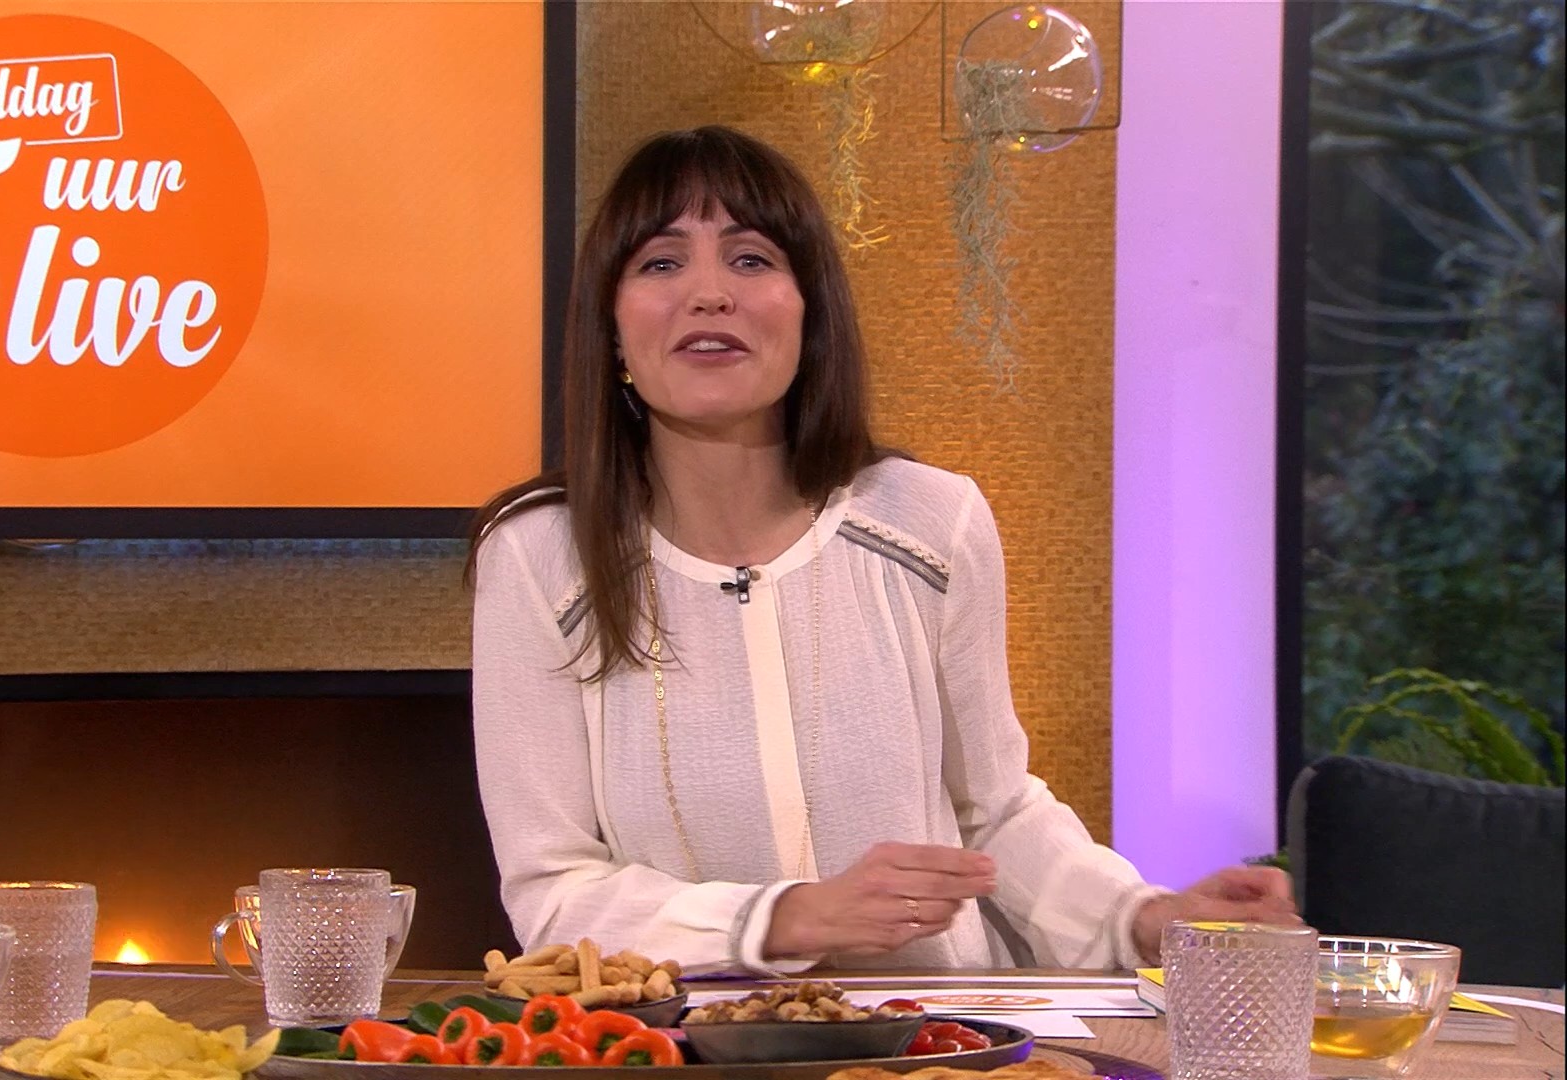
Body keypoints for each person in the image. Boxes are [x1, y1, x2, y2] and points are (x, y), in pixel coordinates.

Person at [466, 125, 1295, 976]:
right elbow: (553, 889)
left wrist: (1142, 918)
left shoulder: (932, 521)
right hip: (682, 1033)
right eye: (661, 262)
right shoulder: (538, 554)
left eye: (751, 259)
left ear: (809, 313)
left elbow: (995, 812)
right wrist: (786, 917)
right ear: (611, 328)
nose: (709, 294)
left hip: (932, 1025)